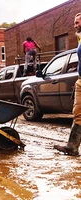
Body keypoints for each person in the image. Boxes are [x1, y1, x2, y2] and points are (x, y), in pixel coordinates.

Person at [54, 13, 81, 156]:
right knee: (78, 113)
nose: (75, 25)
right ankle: (72, 146)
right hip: (80, 80)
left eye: (77, 22)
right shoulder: (80, 37)